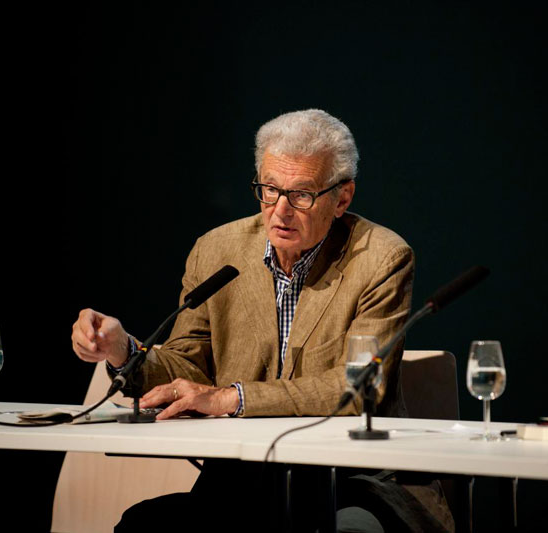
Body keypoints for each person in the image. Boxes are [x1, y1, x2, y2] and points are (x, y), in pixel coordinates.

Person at [71, 109, 453, 532]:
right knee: (144, 525)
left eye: (301, 194)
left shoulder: (381, 258)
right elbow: (186, 368)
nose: (280, 211)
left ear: (342, 198)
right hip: (245, 481)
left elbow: (359, 388)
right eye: (269, 190)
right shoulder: (216, 250)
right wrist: (124, 350)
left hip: (352, 479)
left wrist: (232, 398)